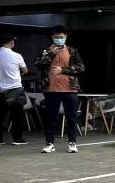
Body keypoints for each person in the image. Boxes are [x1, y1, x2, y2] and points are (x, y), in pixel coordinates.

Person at [35, 25, 85, 153]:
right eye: (56, 37)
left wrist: (62, 70)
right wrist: (51, 54)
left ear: (66, 36)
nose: (59, 39)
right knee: (51, 118)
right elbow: (38, 64)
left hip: (70, 89)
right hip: (51, 90)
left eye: (61, 37)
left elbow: (81, 67)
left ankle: (72, 143)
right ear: (52, 37)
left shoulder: (72, 51)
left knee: (71, 118)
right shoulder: (46, 50)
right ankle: (49, 143)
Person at [0, 34, 29, 146]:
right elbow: (25, 70)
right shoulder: (17, 56)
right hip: (15, 89)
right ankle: (17, 139)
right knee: (17, 115)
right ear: (11, 42)